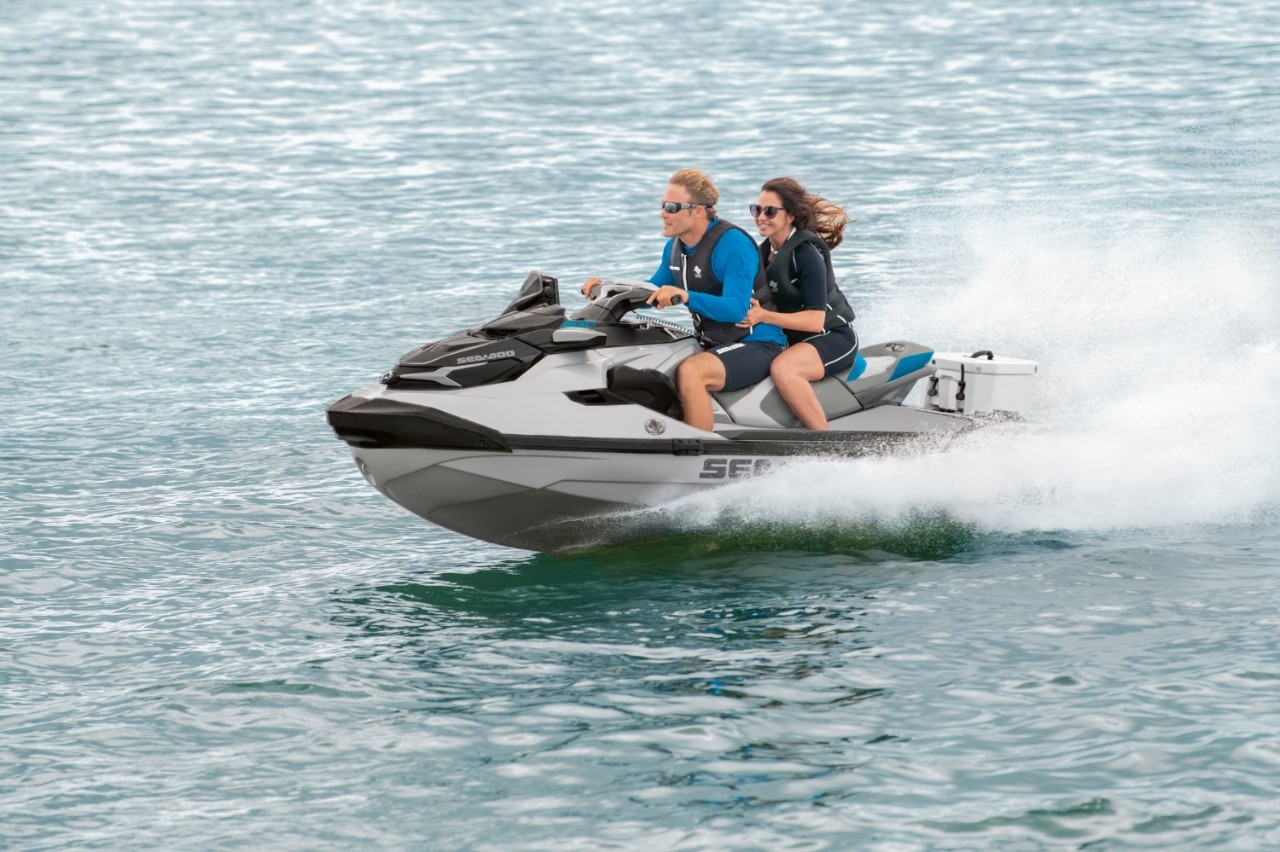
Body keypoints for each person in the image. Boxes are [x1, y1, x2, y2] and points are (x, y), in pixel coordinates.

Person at [582, 168, 786, 432]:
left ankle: (697, 451)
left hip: (758, 342)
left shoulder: (732, 244)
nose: (662, 213)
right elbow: (653, 291)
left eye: (671, 207)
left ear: (698, 211)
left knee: (691, 371)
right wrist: (608, 287)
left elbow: (736, 310)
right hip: (715, 342)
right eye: (662, 205)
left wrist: (686, 296)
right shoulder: (675, 247)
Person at [741, 177, 859, 430]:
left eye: (770, 210)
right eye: (756, 209)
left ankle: (823, 441)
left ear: (791, 215)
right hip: (794, 340)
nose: (761, 216)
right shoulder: (764, 253)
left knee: (784, 369)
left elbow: (815, 321)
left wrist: (764, 317)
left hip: (832, 337)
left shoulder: (806, 254)